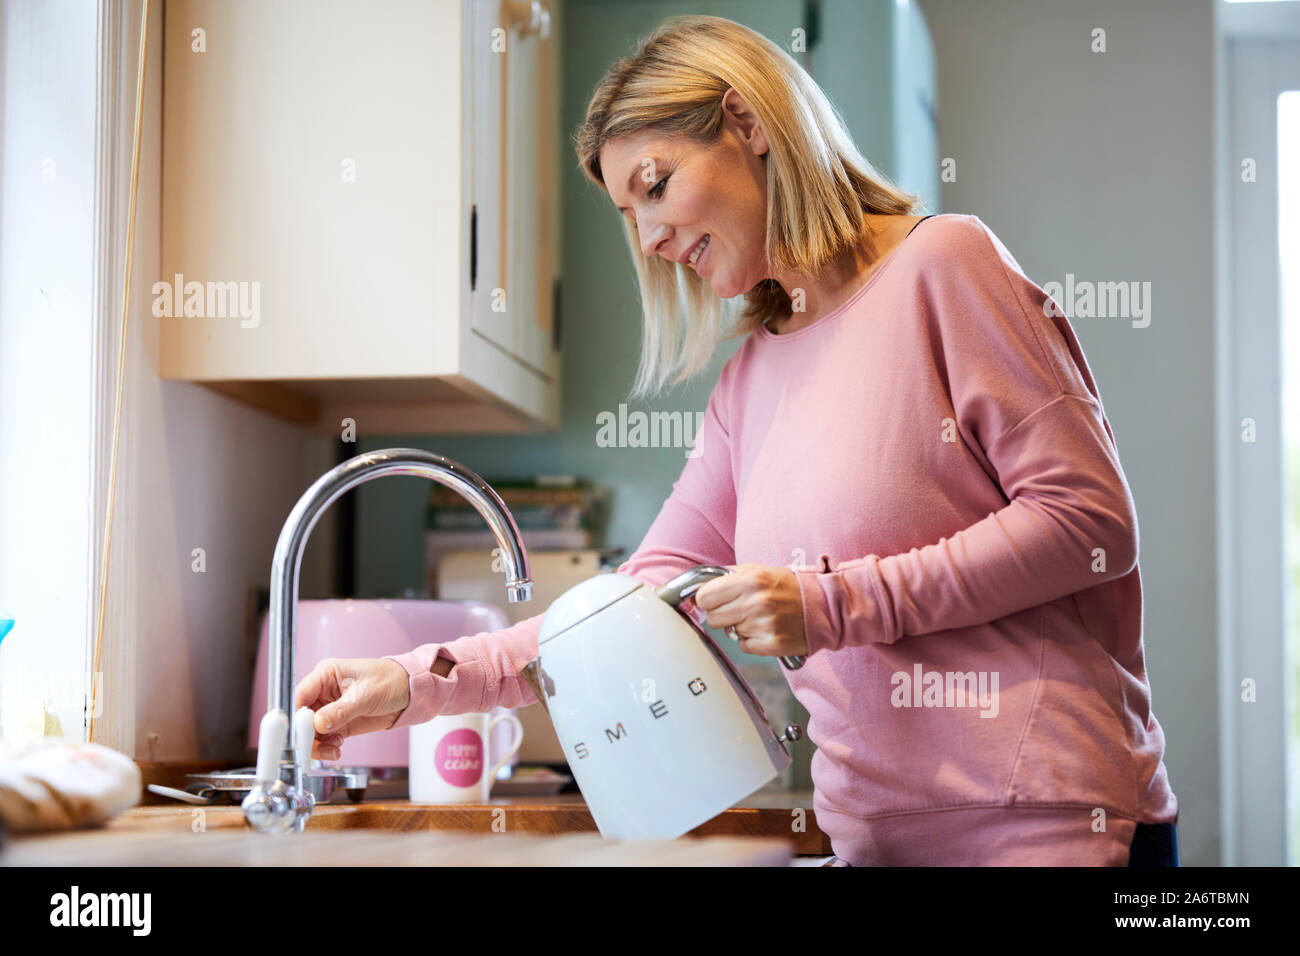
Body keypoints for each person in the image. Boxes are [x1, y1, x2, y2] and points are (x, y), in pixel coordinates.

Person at [293, 14, 1179, 866]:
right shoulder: (748, 382)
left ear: (746, 122)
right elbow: (630, 604)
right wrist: (417, 684)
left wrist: (827, 604)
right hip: (871, 839)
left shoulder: (945, 266)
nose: (649, 237)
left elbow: (1089, 524)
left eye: (653, 184)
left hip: (1052, 832)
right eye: (628, 215)